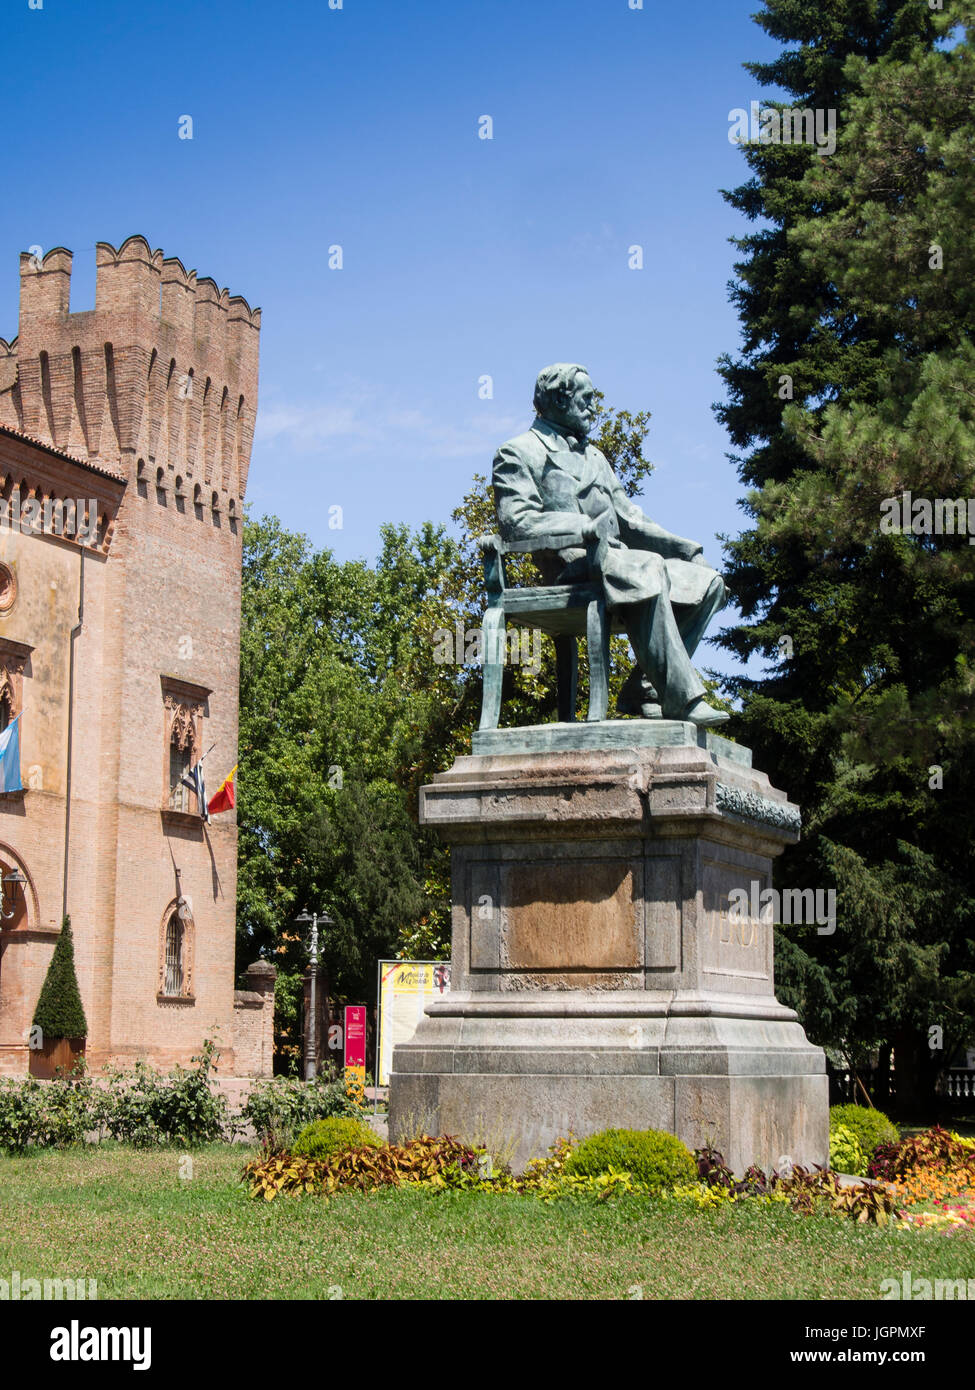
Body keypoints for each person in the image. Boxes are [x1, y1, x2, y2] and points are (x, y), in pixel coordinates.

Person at [492, 363, 728, 726]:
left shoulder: (596, 457)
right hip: (571, 570)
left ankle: (645, 689)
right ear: (559, 399)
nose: (593, 408)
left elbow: (630, 519)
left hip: (618, 564)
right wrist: (583, 526)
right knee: (647, 566)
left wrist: (683, 548)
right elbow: (516, 521)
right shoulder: (518, 452)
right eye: (586, 400)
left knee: (707, 582)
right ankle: (684, 700)